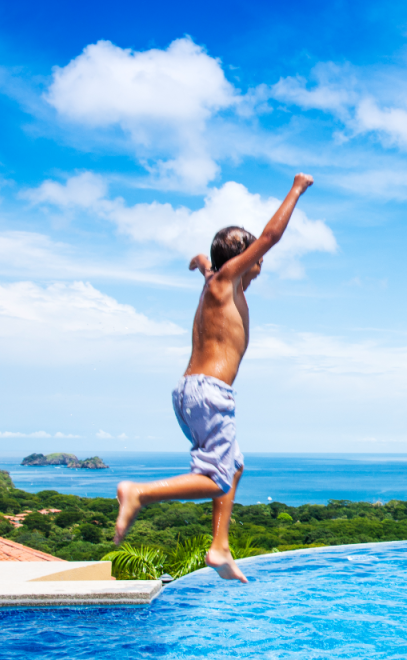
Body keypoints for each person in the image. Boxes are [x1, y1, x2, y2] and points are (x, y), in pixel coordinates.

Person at [114, 173, 315, 581]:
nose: (262, 261)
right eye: (256, 255)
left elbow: (207, 264)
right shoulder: (226, 282)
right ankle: (139, 492)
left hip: (193, 393)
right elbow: (271, 237)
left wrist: (200, 262)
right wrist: (296, 189)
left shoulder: (216, 282)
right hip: (209, 393)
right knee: (216, 479)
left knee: (234, 466)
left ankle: (219, 547)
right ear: (243, 258)